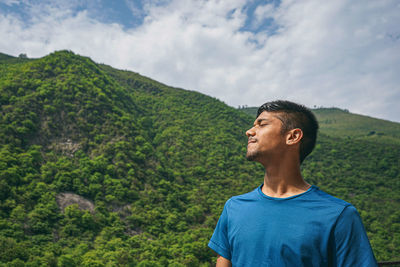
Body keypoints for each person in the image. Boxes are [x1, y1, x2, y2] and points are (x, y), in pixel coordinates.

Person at [208, 100, 377, 267]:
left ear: (293, 136)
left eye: (262, 124)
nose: (249, 132)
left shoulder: (339, 216)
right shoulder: (234, 208)